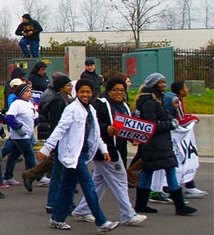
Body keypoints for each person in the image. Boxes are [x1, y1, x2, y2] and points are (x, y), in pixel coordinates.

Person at [38, 79, 119, 233]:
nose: (85, 95)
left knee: (67, 187)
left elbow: (95, 134)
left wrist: (104, 150)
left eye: (88, 92)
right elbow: (59, 129)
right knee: (88, 185)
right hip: (72, 154)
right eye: (82, 92)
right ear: (76, 92)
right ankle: (101, 221)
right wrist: (46, 148)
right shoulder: (71, 109)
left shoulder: (91, 110)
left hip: (82, 152)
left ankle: (57, 218)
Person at [70, 77, 147, 226]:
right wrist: (107, 129)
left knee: (100, 182)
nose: (119, 93)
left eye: (122, 90)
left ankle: (83, 210)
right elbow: (94, 124)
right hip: (105, 150)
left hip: (117, 148)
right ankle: (128, 214)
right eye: (115, 90)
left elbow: (126, 128)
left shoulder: (123, 106)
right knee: (120, 181)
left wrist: (132, 138)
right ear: (108, 90)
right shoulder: (100, 105)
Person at [134, 73, 197, 216]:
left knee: (148, 172)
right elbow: (152, 124)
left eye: (164, 82)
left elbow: (159, 117)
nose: (163, 85)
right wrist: (170, 124)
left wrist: (169, 119)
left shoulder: (153, 99)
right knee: (169, 170)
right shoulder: (151, 102)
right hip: (157, 143)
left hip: (154, 144)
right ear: (154, 84)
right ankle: (180, 205)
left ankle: (141, 204)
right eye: (161, 82)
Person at [21, 76, 72, 214]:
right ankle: (58, 201)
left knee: (56, 165)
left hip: (65, 139)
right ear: (61, 86)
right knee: (59, 169)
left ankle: (31, 175)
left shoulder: (66, 98)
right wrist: (54, 141)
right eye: (68, 85)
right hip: (59, 138)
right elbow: (57, 123)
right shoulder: (57, 100)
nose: (70, 87)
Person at [167, 81, 207, 198]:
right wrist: (193, 118)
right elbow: (180, 120)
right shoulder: (177, 101)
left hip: (177, 137)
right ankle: (167, 189)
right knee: (180, 161)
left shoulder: (179, 100)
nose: (187, 89)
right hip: (175, 137)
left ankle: (190, 186)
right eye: (185, 87)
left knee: (186, 161)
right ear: (180, 91)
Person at [2, 84, 40, 186]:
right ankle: (39, 176)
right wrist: (18, 129)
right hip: (21, 136)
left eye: (30, 91)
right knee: (30, 155)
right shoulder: (17, 103)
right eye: (27, 91)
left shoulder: (29, 103)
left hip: (27, 134)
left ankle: (8, 176)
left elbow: (35, 117)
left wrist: (35, 122)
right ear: (21, 93)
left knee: (13, 155)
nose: (30, 93)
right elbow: (9, 117)